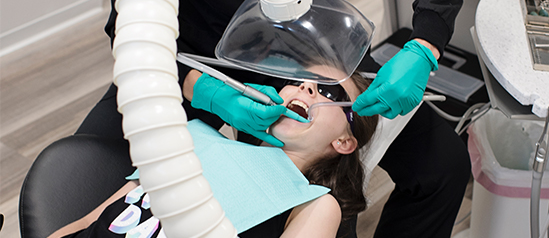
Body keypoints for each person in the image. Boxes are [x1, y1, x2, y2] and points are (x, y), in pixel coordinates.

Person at [77, 0, 470, 236]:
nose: (310, 95)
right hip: (193, 60)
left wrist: (424, 46)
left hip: (311, 50)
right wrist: (207, 92)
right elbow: (127, 26)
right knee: (85, 170)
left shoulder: (314, 86)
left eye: (328, 96)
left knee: (441, 166)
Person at [51, 70, 379, 238]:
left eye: (328, 91)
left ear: (345, 142)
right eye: (298, 81)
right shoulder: (194, 136)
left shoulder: (315, 203)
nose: (305, 88)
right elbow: (94, 218)